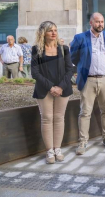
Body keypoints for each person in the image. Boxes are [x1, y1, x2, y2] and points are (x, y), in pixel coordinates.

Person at [70, 12, 105, 155]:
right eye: (97, 22)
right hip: (88, 79)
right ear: (90, 23)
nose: (100, 24)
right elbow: (74, 57)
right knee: (85, 112)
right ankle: (83, 142)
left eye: (102, 21)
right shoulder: (80, 38)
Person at [31, 21, 73, 164]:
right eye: (50, 30)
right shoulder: (36, 50)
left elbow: (70, 70)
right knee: (47, 118)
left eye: (55, 30)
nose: (54, 33)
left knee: (59, 117)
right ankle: (49, 151)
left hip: (63, 88)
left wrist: (60, 87)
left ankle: (57, 149)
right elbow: (34, 73)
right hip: (44, 88)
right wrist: (51, 87)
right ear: (43, 33)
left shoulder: (63, 49)